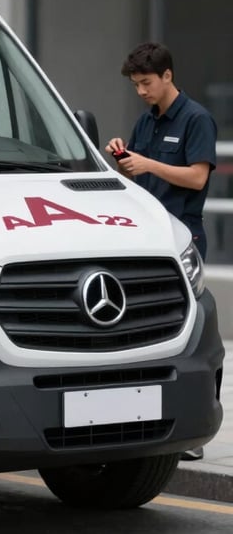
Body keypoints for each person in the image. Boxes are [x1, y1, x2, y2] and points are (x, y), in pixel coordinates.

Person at [105, 41, 217, 463]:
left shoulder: (196, 119)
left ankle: (193, 431)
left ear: (167, 75)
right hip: (145, 239)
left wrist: (149, 164)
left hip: (183, 239)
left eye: (146, 83)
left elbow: (197, 177)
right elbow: (136, 178)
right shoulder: (146, 121)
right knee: (145, 335)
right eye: (135, 85)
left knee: (188, 332)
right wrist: (124, 159)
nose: (141, 91)